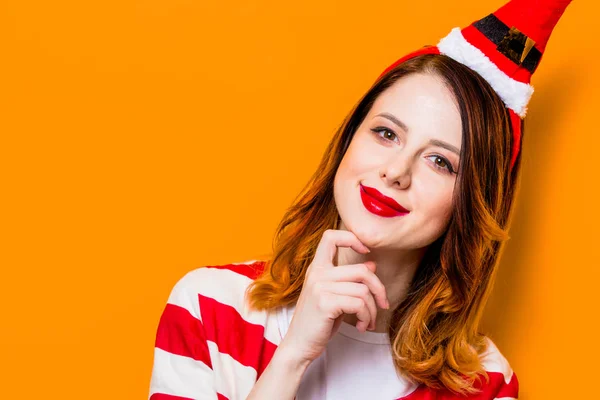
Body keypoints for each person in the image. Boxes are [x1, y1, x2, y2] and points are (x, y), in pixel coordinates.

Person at [148, 0, 574, 399]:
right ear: (347, 142)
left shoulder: (487, 383)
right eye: (386, 133)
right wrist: (293, 355)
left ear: (471, 203)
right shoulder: (209, 307)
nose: (396, 172)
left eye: (440, 161)